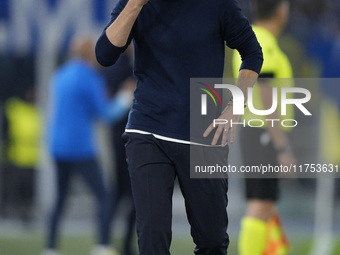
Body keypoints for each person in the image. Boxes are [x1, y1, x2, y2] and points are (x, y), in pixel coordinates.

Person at [96, 0, 263, 254]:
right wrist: (135, 5)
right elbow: (104, 55)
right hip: (147, 131)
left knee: (213, 241)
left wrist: (235, 108)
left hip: (203, 134)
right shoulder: (136, 4)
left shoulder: (218, 4)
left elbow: (252, 52)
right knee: (152, 240)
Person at [44, 35, 132, 255]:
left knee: (60, 199)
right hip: (80, 147)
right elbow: (105, 114)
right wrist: (124, 98)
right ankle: (102, 245)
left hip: (57, 145)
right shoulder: (89, 78)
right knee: (104, 197)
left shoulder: (59, 75)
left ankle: (50, 248)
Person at [232, 1, 296, 254]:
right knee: (259, 204)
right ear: (280, 10)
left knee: (265, 203)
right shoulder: (262, 40)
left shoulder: (257, 37)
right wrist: (282, 146)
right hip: (262, 132)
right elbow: (265, 94)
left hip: (257, 131)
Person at [100, 45, 137, 255]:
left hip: (128, 135)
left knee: (126, 193)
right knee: (126, 192)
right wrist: (125, 93)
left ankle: (111, 243)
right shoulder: (116, 66)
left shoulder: (126, 65)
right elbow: (108, 104)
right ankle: (109, 243)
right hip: (123, 136)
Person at [0, 87, 41, 226]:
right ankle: (8, 211)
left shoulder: (38, 112)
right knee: (13, 188)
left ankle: (25, 215)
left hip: (33, 159)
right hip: (16, 157)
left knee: (28, 191)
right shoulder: (16, 109)